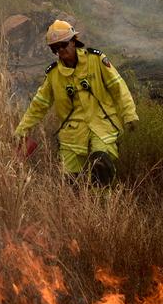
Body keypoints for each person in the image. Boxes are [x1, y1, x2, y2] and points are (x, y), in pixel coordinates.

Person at [14, 20, 139, 186]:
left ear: (74, 41)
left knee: (101, 167)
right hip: (71, 134)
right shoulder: (54, 75)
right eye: (54, 48)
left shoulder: (96, 60)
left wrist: (129, 114)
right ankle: (78, 209)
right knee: (71, 184)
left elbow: (118, 87)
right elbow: (38, 106)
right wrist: (22, 130)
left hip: (102, 126)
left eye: (63, 45)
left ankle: (104, 208)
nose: (60, 51)